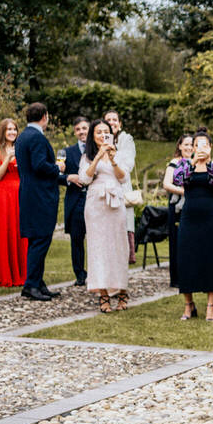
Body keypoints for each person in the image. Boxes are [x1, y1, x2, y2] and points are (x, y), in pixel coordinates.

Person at [79, 119, 130, 312]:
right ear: (93, 135)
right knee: (98, 247)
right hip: (96, 204)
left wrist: (113, 159)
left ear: (112, 134)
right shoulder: (87, 156)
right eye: (98, 132)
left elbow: (124, 177)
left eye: (105, 132)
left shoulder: (119, 154)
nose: (102, 135)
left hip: (115, 202)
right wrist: (98, 157)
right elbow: (84, 178)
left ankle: (122, 290)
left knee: (118, 247)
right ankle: (103, 293)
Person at [175, 131, 213, 321]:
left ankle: (210, 306)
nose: (201, 148)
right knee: (186, 258)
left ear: (210, 147)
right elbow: (179, 180)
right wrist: (194, 162)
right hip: (190, 216)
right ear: (193, 147)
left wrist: (207, 164)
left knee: (210, 259)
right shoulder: (184, 164)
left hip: (212, 216)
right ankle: (188, 305)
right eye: (197, 145)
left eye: (205, 145)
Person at [14, 103, 61, 301]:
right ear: (44, 116)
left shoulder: (22, 137)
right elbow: (40, 165)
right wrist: (58, 167)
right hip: (41, 197)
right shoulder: (37, 137)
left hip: (28, 194)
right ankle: (31, 285)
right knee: (41, 240)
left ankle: (38, 282)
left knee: (36, 239)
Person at [0, 118, 27, 288]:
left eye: (14, 129)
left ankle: (21, 272)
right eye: (8, 129)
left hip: (20, 194)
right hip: (2, 195)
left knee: (19, 231)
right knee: (3, 229)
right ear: (2, 132)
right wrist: (9, 157)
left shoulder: (22, 148)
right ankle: (2, 272)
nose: (12, 132)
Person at [102, 110, 138, 264]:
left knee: (124, 223)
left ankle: (124, 258)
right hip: (104, 189)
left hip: (122, 187)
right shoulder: (99, 139)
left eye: (114, 119)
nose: (112, 122)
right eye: (108, 120)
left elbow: (128, 165)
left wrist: (113, 154)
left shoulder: (126, 139)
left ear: (120, 123)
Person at [59, 116, 90, 286]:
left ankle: (96, 273)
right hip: (76, 201)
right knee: (76, 240)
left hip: (94, 200)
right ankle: (80, 274)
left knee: (96, 239)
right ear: (74, 132)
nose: (81, 132)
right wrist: (67, 177)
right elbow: (57, 175)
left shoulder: (97, 150)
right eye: (78, 129)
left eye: (84, 128)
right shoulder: (66, 152)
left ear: (89, 129)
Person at [162, 135, 194, 289]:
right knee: (177, 242)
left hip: (191, 207)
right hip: (177, 207)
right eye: (186, 144)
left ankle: (190, 274)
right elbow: (166, 184)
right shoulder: (175, 163)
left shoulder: (195, 163)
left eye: (192, 144)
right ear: (180, 146)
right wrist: (185, 192)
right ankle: (177, 278)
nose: (189, 147)